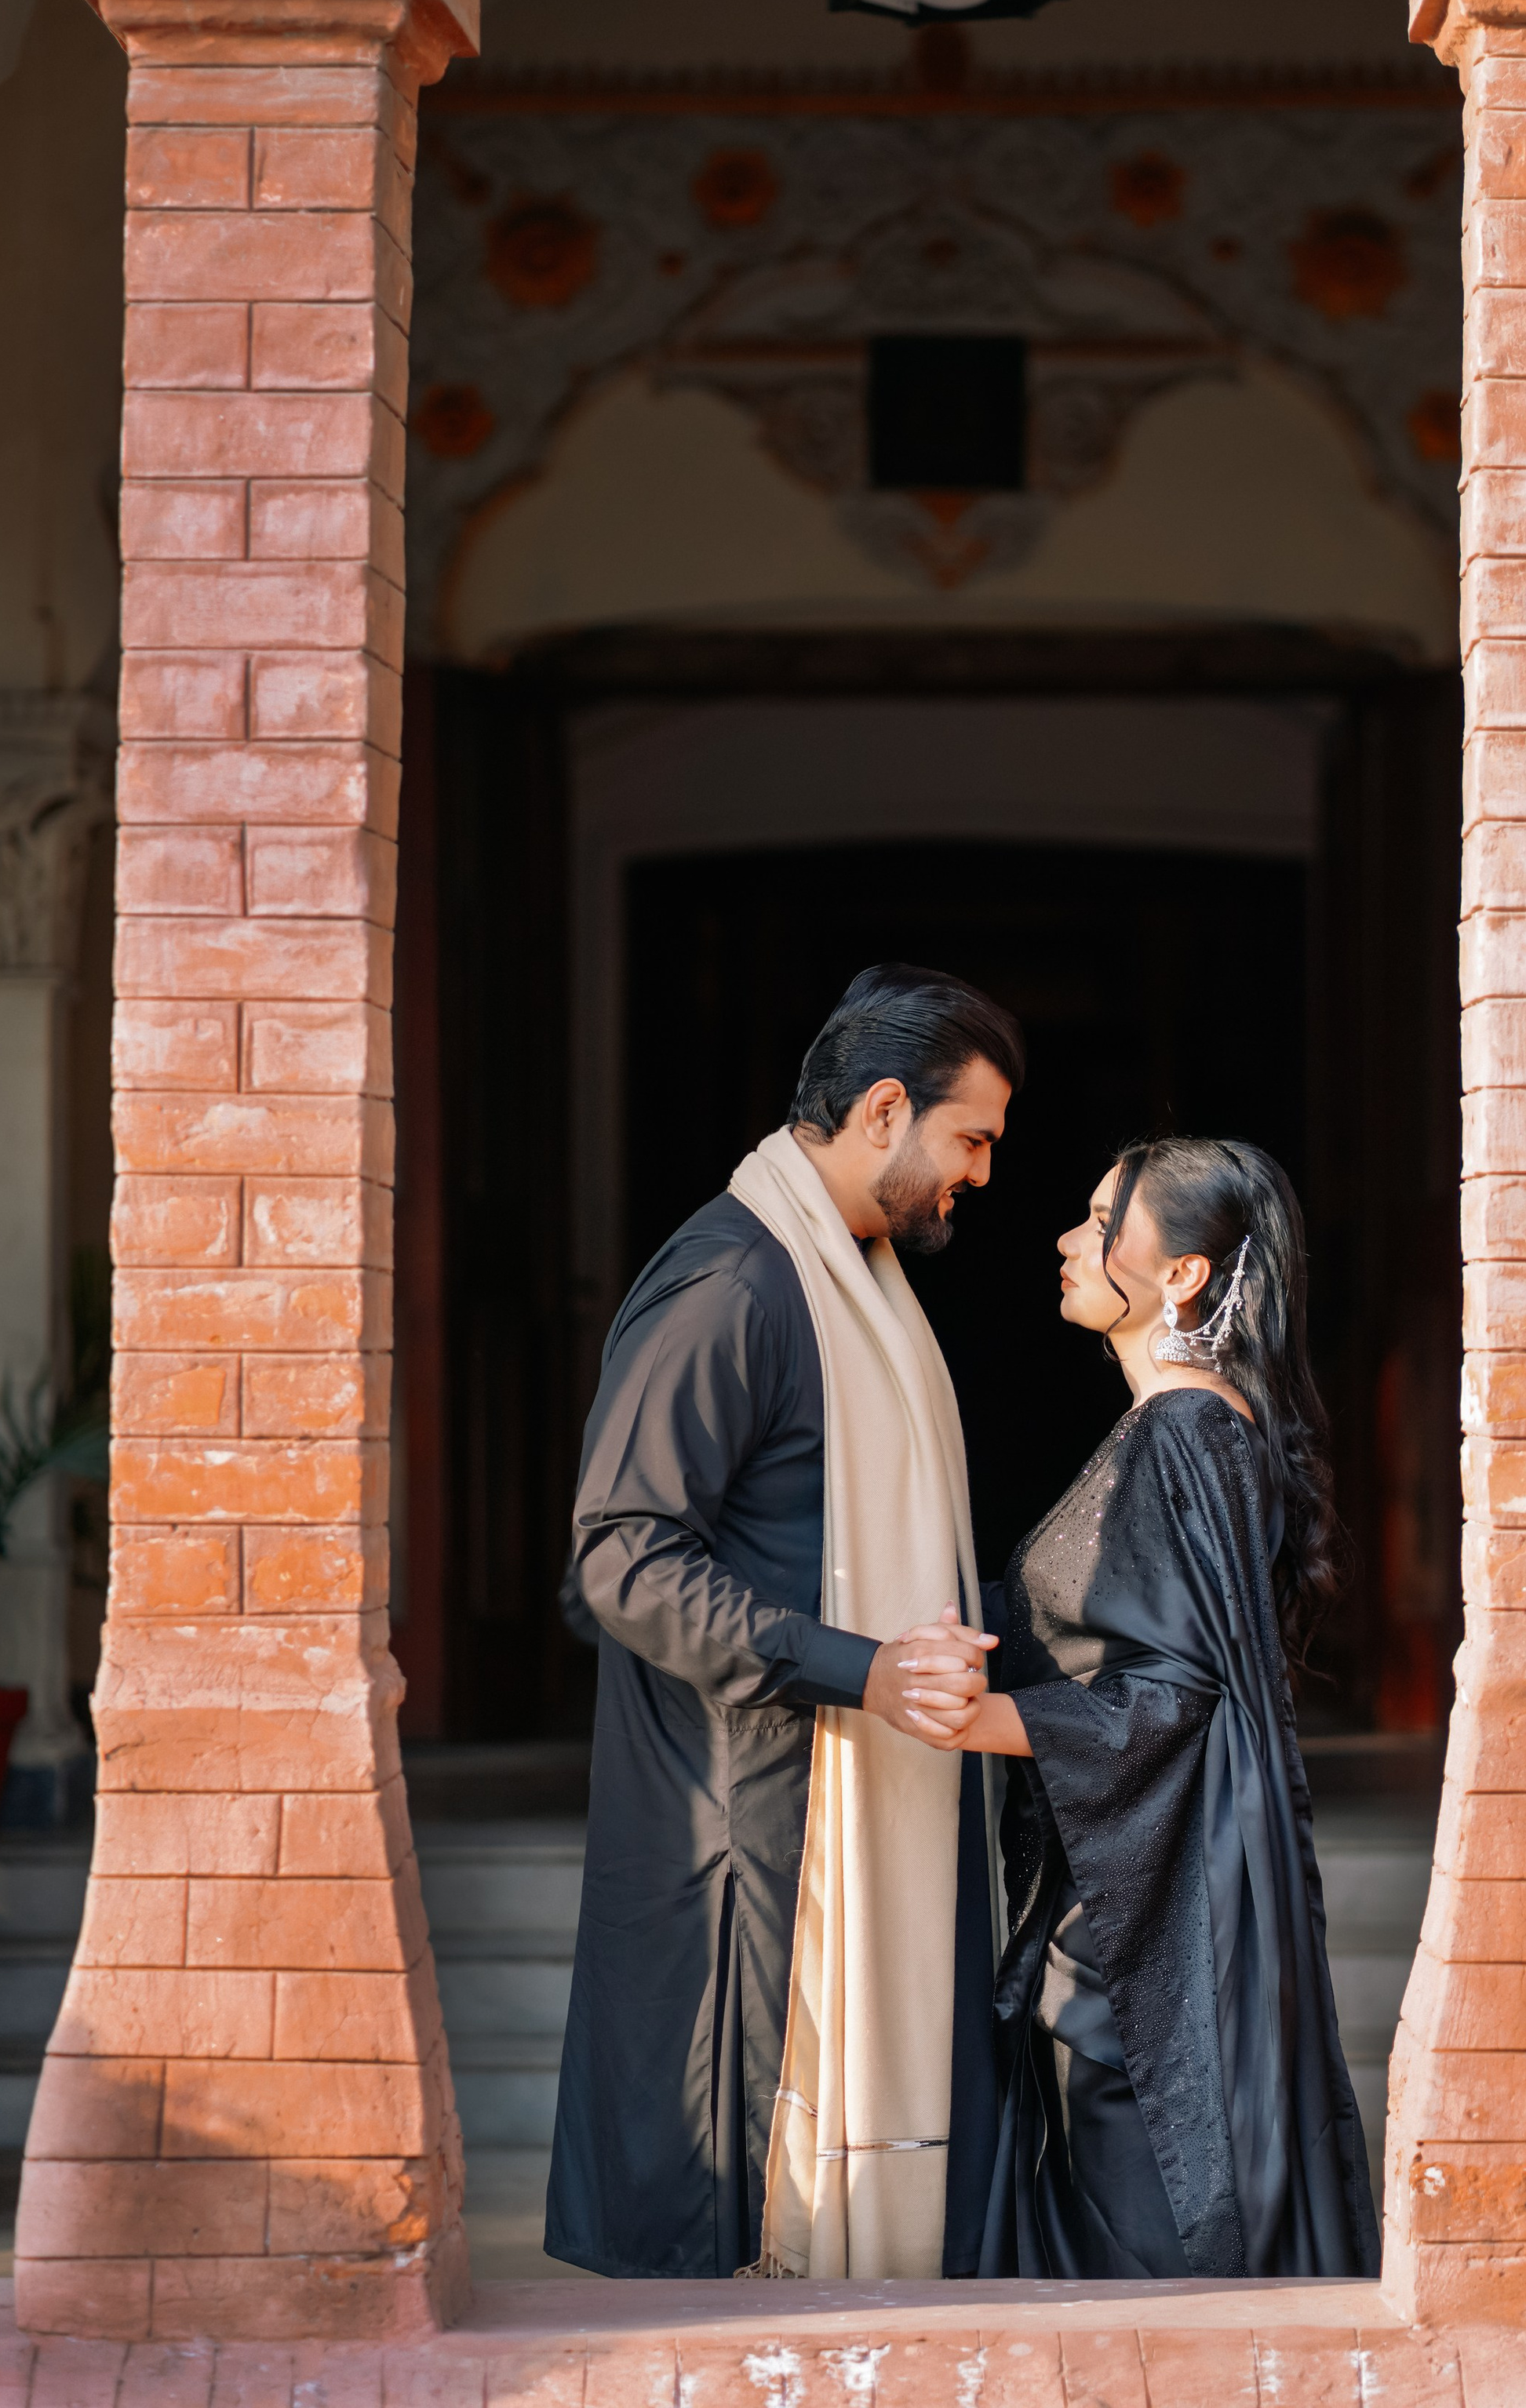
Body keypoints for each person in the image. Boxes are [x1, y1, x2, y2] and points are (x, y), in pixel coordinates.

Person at [544, 963, 1021, 2283]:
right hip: (752, 1837)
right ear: (884, 1111)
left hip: (830, 1799)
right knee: (740, 2256)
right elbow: (623, 1556)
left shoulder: (853, 1278)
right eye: (969, 1136)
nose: (980, 1171)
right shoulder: (736, 1283)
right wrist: (862, 1671)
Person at [909, 1134, 1380, 2281]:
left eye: (1101, 1218)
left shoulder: (1187, 1431)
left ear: (1183, 1275)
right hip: (1138, 1898)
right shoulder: (1189, 1426)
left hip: (1152, 1927)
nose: (1071, 1240)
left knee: (1157, 2281)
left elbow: (1168, 1698)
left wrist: (982, 1719)